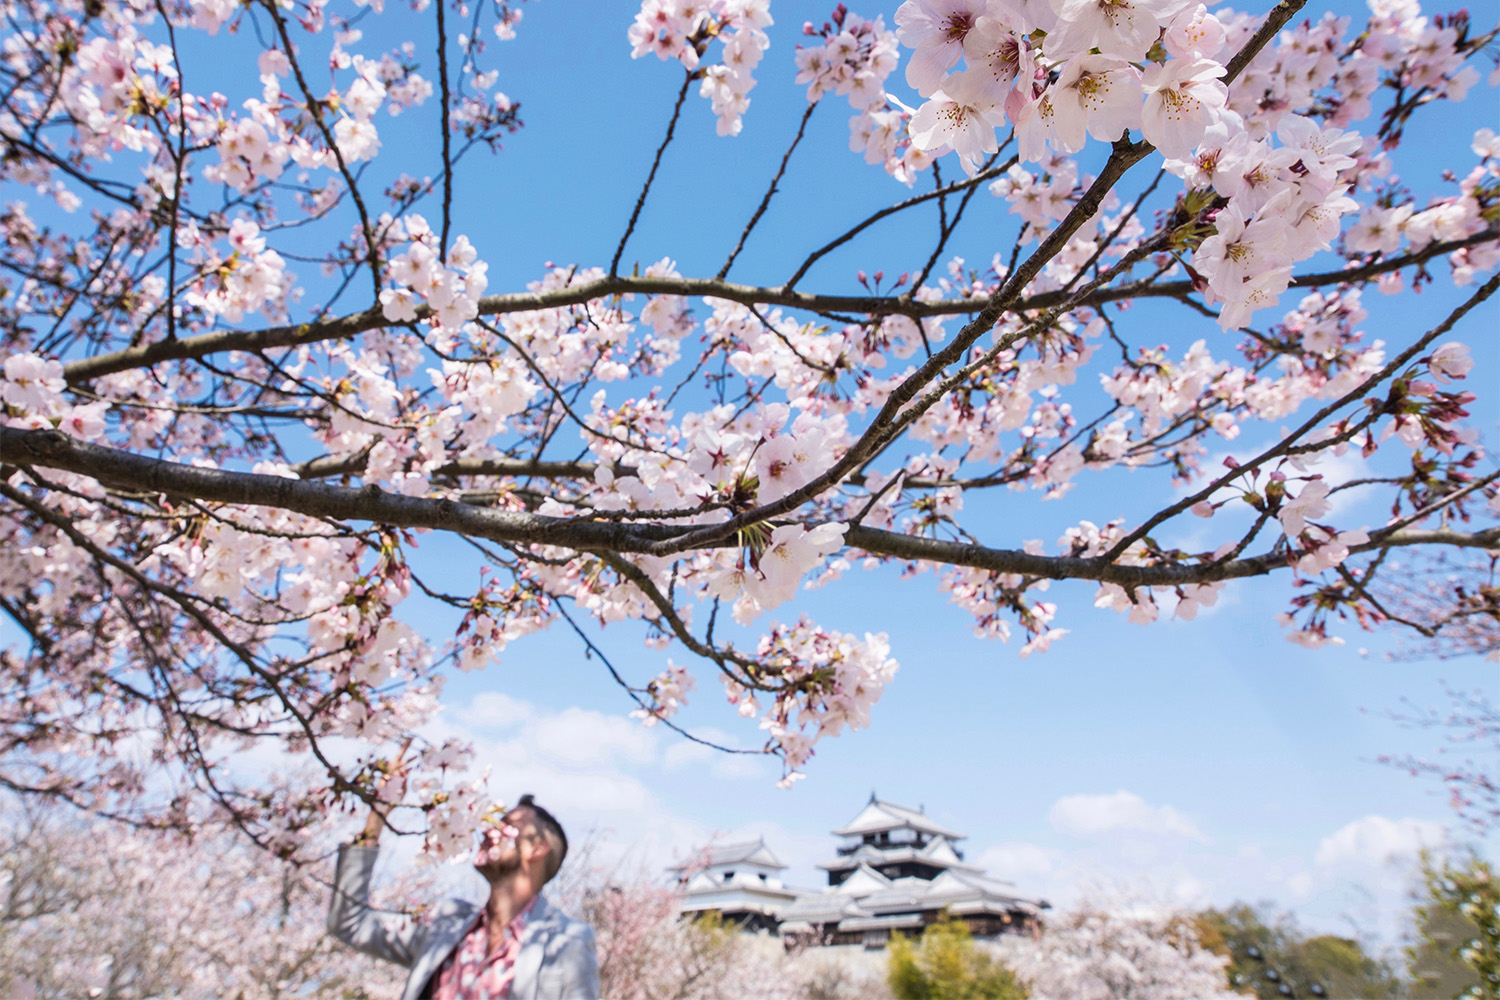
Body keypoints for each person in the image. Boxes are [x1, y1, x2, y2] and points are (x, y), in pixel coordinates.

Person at [327, 787, 600, 1000]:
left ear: (537, 848)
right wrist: (376, 818)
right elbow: (350, 922)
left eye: (505, 825)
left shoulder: (569, 941)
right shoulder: (444, 923)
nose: (488, 830)